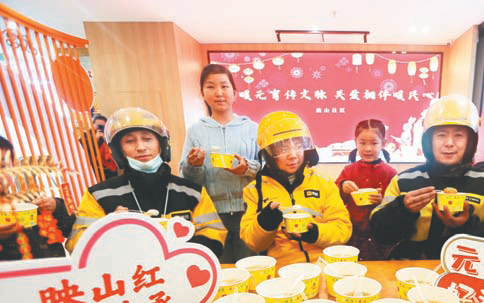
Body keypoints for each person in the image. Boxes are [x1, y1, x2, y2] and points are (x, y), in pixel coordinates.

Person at [66, 108, 226, 257]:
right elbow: (77, 245)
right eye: (130, 141)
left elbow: (214, 234)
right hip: (127, 275)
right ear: (118, 151)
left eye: (147, 139)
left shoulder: (193, 192)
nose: (141, 147)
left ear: (162, 144)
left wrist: (173, 253)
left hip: (182, 270)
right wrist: (108, 228)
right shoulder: (98, 195)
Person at [370, 94, 484, 259]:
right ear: (428, 141)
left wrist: (466, 225)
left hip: (466, 268)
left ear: (471, 141)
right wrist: (402, 209)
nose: (449, 143)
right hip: (410, 269)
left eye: (458, 135)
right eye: (441, 135)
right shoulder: (404, 181)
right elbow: (381, 236)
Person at [240, 111, 352, 264]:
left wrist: (315, 233)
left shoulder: (324, 183)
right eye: (283, 149)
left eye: (299, 146)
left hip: (323, 265)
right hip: (282, 269)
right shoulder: (254, 191)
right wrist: (265, 223)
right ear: (268, 153)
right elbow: (253, 243)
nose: (293, 155)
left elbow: (343, 229)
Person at [180, 64, 259, 264]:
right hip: (212, 214)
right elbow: (187, 179)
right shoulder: (196, 131)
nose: (219, 93)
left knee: (251, 266)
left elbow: (266, 170)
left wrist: (247, 168)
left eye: (224, 86)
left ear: (235, 92)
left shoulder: (252, 128)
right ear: (202, 93)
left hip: (248, 210)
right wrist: (194, 165)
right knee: (219, 268)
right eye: (211, 86)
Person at [1, 135, 74, 260]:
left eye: (3, 166)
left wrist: (56, 207)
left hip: (51, 270)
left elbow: (71, 227)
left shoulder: (27, 204)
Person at [336, 119, 397, 260]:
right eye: (362, 143)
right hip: (353, 231)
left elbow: (396, 206)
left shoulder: (390, 173)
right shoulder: (348, 171)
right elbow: (335, 201)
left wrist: (382, 202)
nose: (368, 149)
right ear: (355, 143)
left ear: (383, 143)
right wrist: (342, 186)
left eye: (374, 143)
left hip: (380, 233)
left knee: (379, 268)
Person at [78, 114, 118, 181]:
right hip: (95, 170)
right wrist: (95, 139)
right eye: (99, 126)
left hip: (110, 169)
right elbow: (82, 149)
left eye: (103, 126)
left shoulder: (108, 135)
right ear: (92, 124)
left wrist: (106, 139)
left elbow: (115, 149)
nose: (100, 128)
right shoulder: (85, 135)